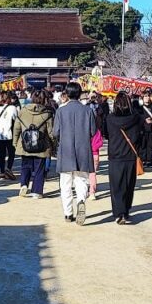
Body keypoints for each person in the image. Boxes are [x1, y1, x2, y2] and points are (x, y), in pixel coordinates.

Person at [52, 81, 94, 225]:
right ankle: (81, 200)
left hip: (66, 149)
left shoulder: (61, 111)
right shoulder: (88, 111)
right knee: (81, 180)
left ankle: (68, 213)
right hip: (83, 149)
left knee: (65, 183)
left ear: (67, 94)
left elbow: (55, 132)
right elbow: (93, 131)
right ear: (79, 93)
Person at [106, 92, 143, 224]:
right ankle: (126, 211)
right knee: (129, 185)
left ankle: (118, 213)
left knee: (116, 186)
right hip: (130, 155)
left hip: (115, 155)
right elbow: (141, 135)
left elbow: (106, 134)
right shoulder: (137, 118)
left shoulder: (110, 119)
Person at [13, 89, 54, 199]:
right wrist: (54, 144)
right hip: (41, 145)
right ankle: (37, 191)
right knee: (40, 168)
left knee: (25, 165)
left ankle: (24, 184)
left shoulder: (23, 111)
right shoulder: (47, 113)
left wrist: (15, 142)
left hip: (25, 143)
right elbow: (50, 132)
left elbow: (16, 128)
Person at [0, 91, 19, 181]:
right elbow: (16, 119)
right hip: (9, 133)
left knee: (2, 153)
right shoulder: (13, 108)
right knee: (11, 152)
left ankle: (2, 172)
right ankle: (9, 168)